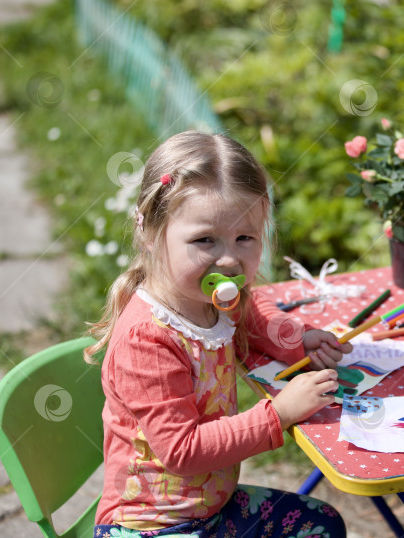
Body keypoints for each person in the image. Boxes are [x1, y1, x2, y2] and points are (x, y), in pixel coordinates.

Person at [85, 131, 351, 537]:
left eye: (245, 238)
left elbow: (250, 314)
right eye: (205, 240)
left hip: (211, 509)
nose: (228, 260)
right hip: (151, 525)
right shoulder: (147, 339)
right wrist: (278, 415)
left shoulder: (207, 296)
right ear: (151, 233)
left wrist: (296, 340)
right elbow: (182, 450)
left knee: (323, 526)